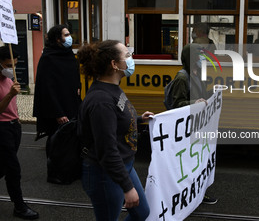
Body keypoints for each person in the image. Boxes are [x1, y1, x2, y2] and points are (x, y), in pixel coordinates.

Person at [77, 40, 153, 221]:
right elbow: (107, 149)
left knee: (142, 213)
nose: (131, 59)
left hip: (123, 165)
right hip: (105, 173)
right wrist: (128, 187)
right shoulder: (101, 101)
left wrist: (139, 120)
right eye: (127, 55)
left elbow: (115, 122)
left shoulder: (112, 89)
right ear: (114, 64)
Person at [33, 24, 82, 184]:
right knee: (56, 141)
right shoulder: (48, 57)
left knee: (71, 140)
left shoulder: (68, 54)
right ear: (57, 39)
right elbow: (47, 88)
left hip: (72, 103)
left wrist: (78, 89)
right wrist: (58, 113)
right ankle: (55, 174)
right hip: (58, 108)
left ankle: (71, 171)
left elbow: (74, 75)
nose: (70, 37)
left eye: (69, 34)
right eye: (66, 35)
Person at [170, 43, 218, 205]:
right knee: (190, 163)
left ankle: (198, 192)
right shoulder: (182, 78)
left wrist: (213, 93)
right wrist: (194, 102)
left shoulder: (196, 74)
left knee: (198, 162)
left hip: (198, 124)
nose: (201, 59)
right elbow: (176, 104)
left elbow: (201, 95)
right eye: (198, 57)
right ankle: (191, 193)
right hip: (188, 127)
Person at [0, 46, 39, 219]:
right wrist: (9, 95)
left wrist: (17, 119)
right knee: (13, 169)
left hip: (14, 126)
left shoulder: (9, 78)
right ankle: (19, 206)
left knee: (3, 166)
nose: (12, 69)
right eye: (8, 65)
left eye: (14, 64)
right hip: (2, 128)